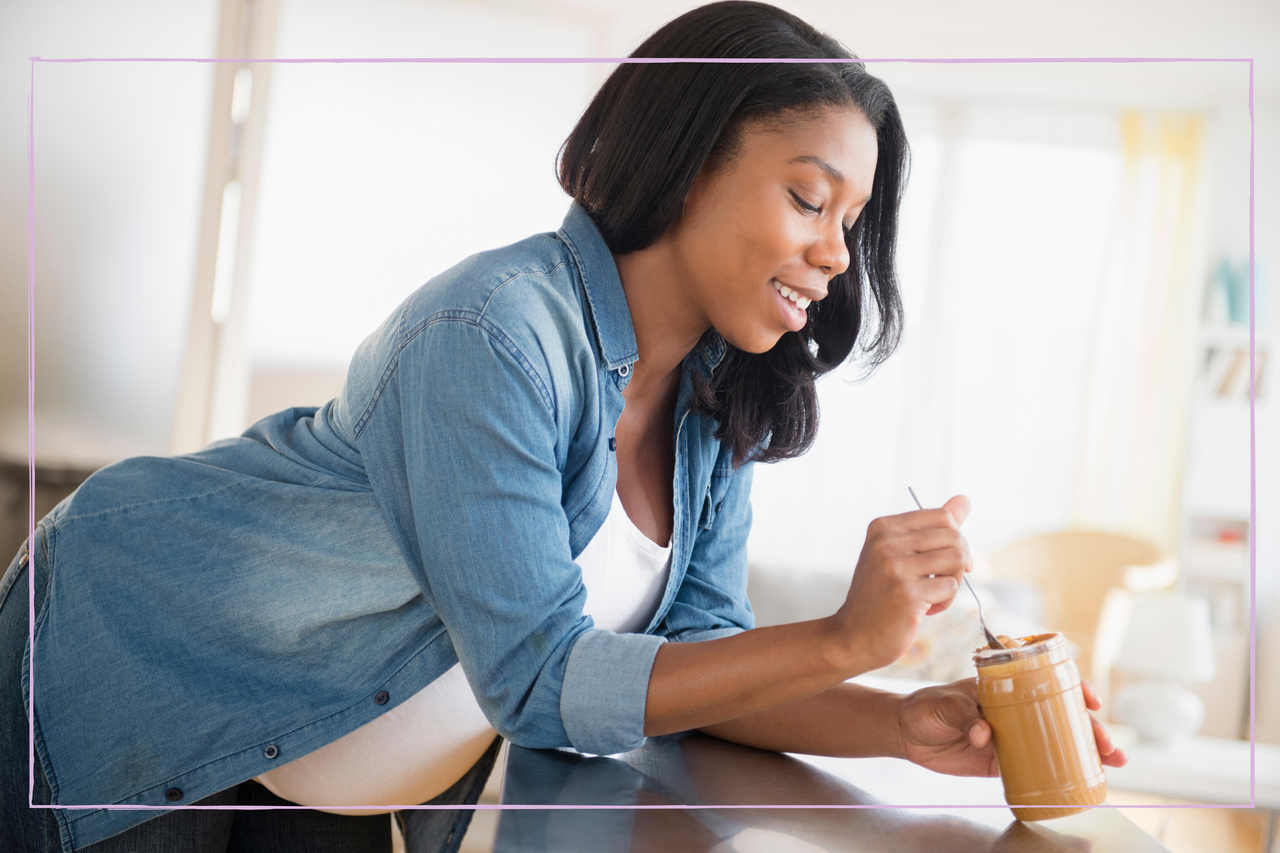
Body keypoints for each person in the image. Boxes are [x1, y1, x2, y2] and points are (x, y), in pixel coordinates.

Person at [0, 2, 1126, 851]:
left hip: (322, 763)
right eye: (806, 197)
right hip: (139, 651)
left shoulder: (710, 410)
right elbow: (539, 678)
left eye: (852, 220)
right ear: (689, 162)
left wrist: (901, 719)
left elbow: (699, 664)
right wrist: (842, 635)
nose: (836, 255)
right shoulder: (489, 334)